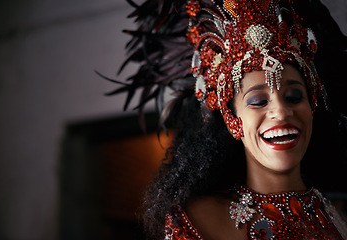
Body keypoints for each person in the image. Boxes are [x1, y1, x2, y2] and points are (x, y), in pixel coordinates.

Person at [106, 0, 347, 239]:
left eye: (294, 97)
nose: (281, 112)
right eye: (258, 101)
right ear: (232, 118)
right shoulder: (200, 220)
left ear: (313, 104)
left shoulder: (337, 217)